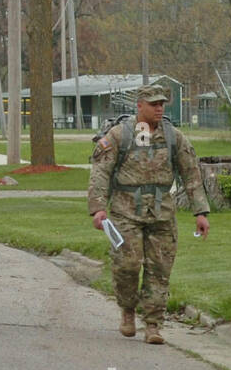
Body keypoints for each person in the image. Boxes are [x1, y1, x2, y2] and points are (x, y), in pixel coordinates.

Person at [87, 83, 210, 344]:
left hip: (162, 214)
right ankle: (128, 312)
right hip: (125, 212)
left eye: (161, 103)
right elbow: (100, 172)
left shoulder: (173, 136)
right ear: (139, 106)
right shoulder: (120, 135)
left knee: (160, 270)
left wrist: (201, 211)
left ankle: (153, 324)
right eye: (153, 103)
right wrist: (98, 208)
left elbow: (191, 173)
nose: (159, 108)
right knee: (127, 266)